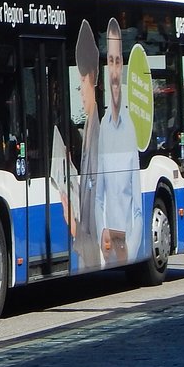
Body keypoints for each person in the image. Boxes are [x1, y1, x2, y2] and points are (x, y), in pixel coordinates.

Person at [95, 18, 143, 264]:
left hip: (125, 246)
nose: (114, 71)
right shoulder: (103, 127)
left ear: (122, 65)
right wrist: (103, 229)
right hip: (107, 245)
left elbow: (137, 203)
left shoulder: (131, 128)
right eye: (109, 62)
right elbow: (100, 195)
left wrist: (128, 251)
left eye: (117, 61)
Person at [65, 20, 103, 271]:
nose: (80, 92)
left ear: (93, 78)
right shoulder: (90, 129)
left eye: (82, 84)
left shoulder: (97, 132)